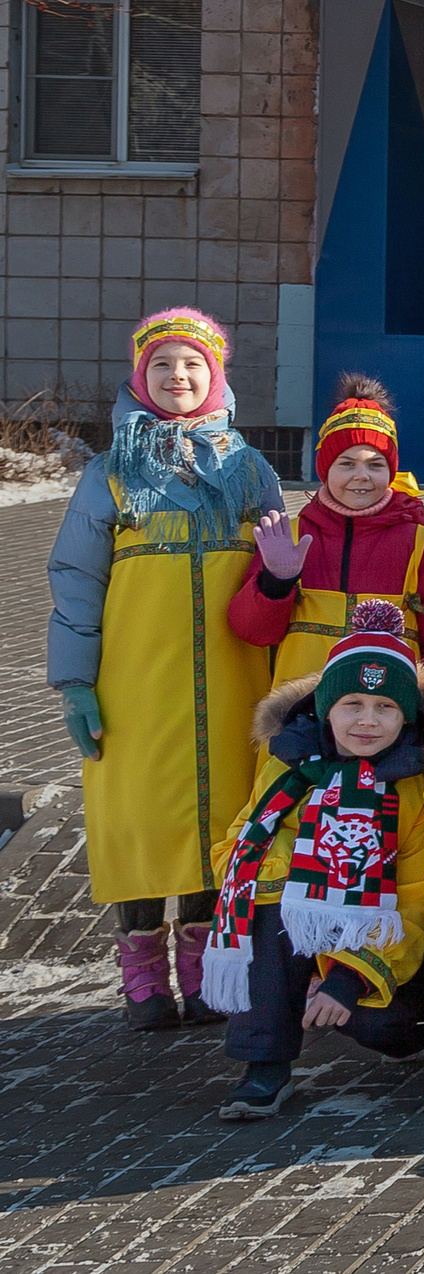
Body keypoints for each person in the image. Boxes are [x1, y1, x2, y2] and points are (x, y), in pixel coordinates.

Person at [49, 307, 285, 1029]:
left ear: (214, 377)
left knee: (222, 815)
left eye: (191, 365)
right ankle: (142, 969)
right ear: (139, 376)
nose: (176, 377)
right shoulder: (109, 473)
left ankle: (203, 958)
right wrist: (75, 684)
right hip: (135, 680)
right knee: (143, 819)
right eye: (161, 365)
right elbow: (75, 580)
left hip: (234, 678)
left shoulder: (249, 468)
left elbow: (280, 577)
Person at [200, 601, 424, 1118]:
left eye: (386, 707)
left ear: (407, 714)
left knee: (384, 1027)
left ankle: (401, 1017)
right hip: (299, 924)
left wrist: (347, 977)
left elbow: (420, 898)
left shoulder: (418, 787)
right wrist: (308, 875)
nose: (367, 722)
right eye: (352, 703)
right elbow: (234, 848)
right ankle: (264, 1064)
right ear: (324, 709)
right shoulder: (287, 767)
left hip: (382, 944)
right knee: (263, 892)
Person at [231, 374, 424, 677]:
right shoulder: (287, 538)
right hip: (299, 714)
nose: (362, 475)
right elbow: (251, 633)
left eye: (375, 464)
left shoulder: (423, 545)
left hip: (385, 717)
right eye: (346, 463)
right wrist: (276, 582)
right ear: (325, 470)